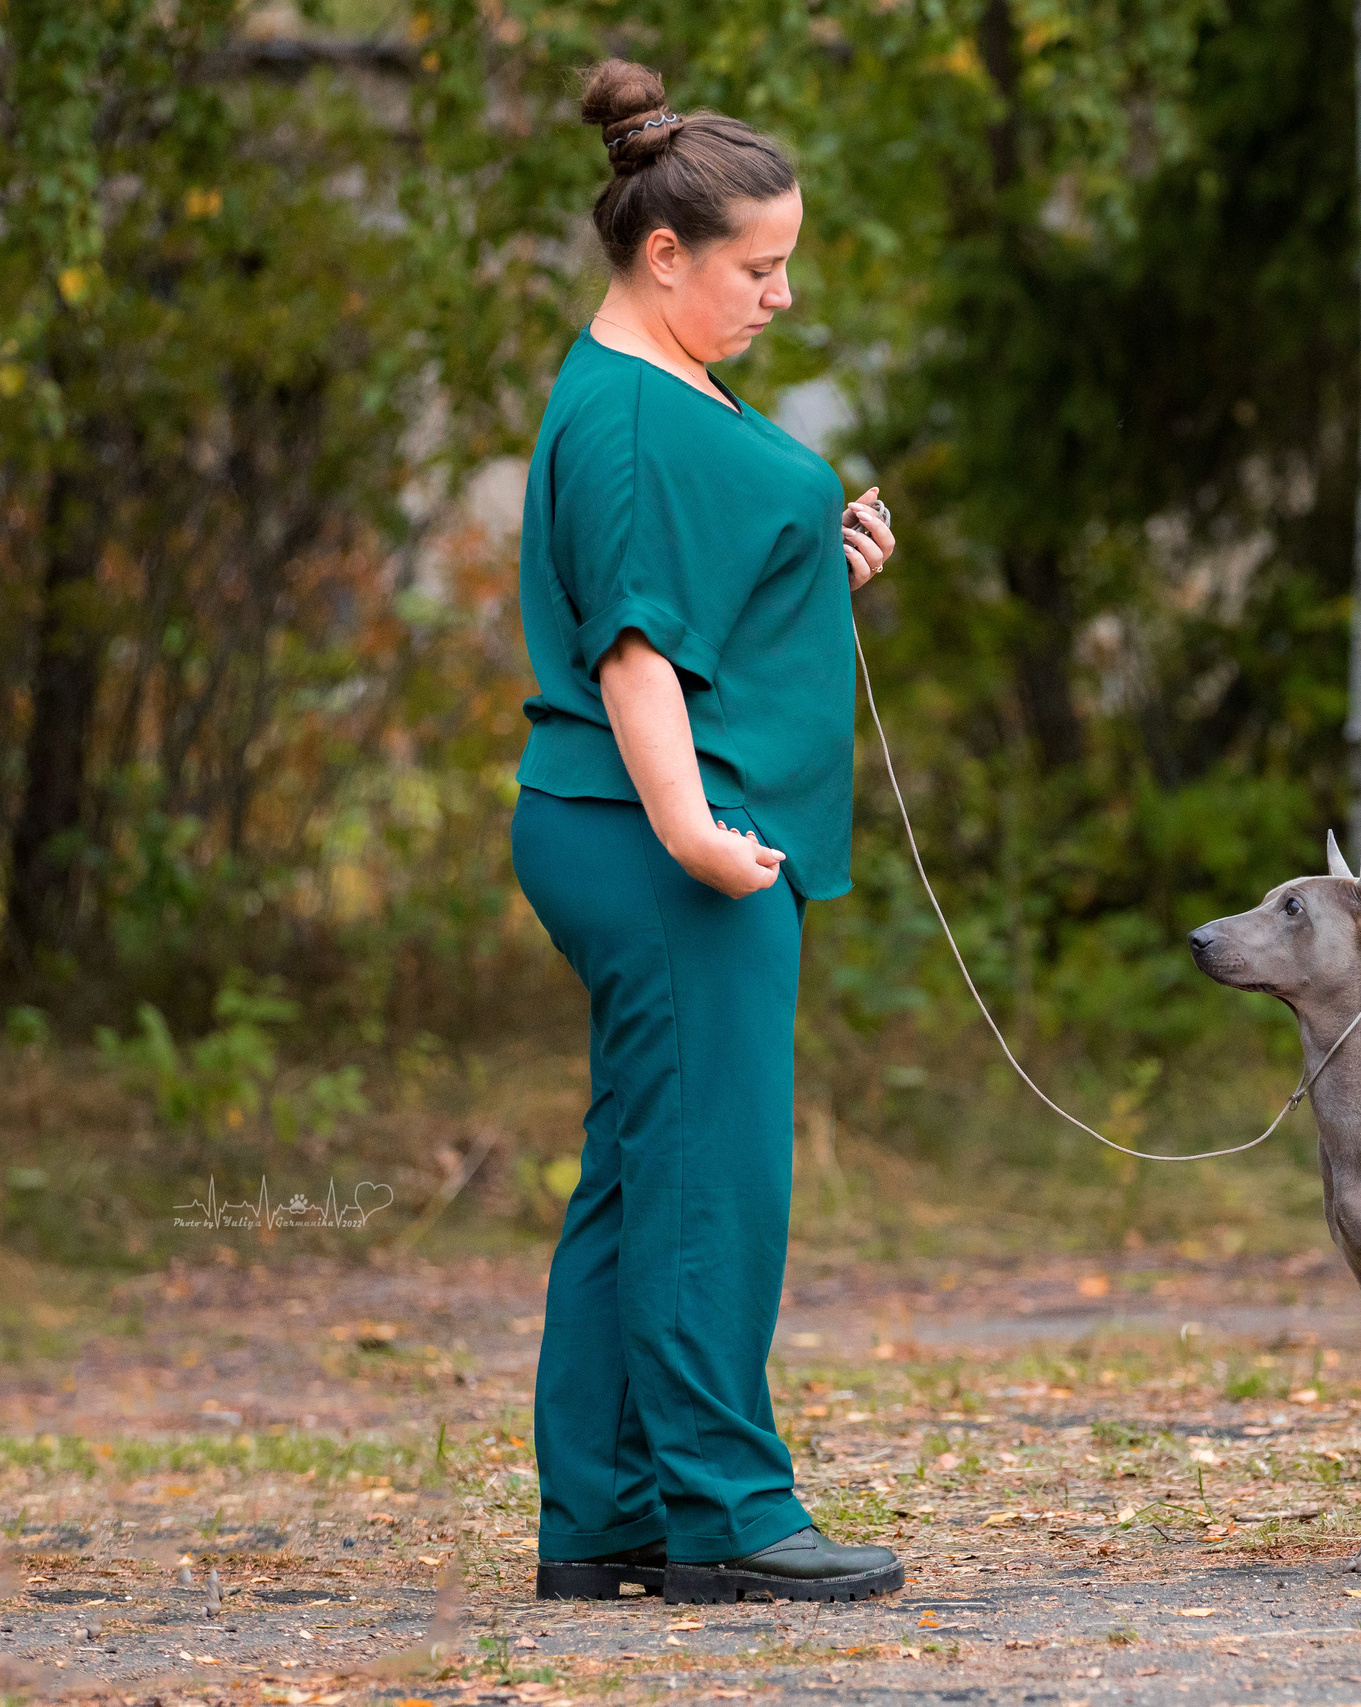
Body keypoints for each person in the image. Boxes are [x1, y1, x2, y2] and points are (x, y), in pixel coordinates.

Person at [509, 57, 903, 1606]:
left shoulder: (660, 385)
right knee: (713, 1180)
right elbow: (633, 651)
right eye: (761, 267)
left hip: (651, 825)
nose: (783, 297)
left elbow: (701, 593)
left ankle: (607, 1514)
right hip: (660, 839)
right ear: (665, 253)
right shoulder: (626, 416)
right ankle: (727, 1513)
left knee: (641, 1174)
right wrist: (690, 833)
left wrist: (818, 563)